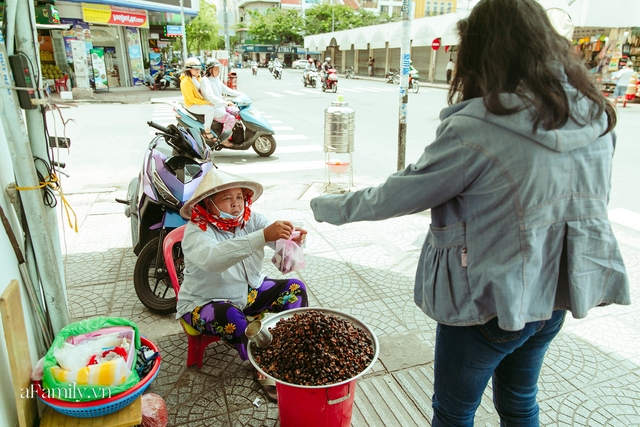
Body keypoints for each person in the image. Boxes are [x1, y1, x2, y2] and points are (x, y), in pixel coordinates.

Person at [310, 0, 630, 426]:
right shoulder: (595, 116)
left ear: (481, 53)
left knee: (454, 413)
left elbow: (398, 195)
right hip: (554, 295)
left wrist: (325, 206)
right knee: (520, 403)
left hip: (490, 302)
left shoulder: (477, 129)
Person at [177, 168, 309, 402]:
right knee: (230, 316)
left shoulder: (252, 220)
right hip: (204, 302)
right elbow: (214, 259)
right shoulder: (196, 232)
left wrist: (293, 242)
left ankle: (290, 345)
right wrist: (262, 236)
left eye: (239, 197)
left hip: (249, 291)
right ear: (208, 203)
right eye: (227, 199)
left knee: (295, 289)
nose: (236, 204)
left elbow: (282, 255)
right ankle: (264, 366)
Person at [200, 58, 241, 146]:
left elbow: (225, 89)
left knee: (238, 112)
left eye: (218, 69)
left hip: (222, 106)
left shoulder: (215, 79)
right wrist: (226, 103)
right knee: (231, 119)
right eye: (216, 69)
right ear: (209, 70)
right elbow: (211, 97)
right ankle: (224, 139)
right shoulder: (205, 81)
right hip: (214, 109)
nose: (218, 71)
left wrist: (239, 94)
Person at [179, 57, 218, 144]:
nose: (197, 71)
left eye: (199, 69)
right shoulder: (185, 82)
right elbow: (192, 99)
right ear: (189, 69)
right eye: (195, 69)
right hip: (192, 105)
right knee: (210, 109)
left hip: (199, 102)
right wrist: (207, 103)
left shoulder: (197, 78)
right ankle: (207, 131)